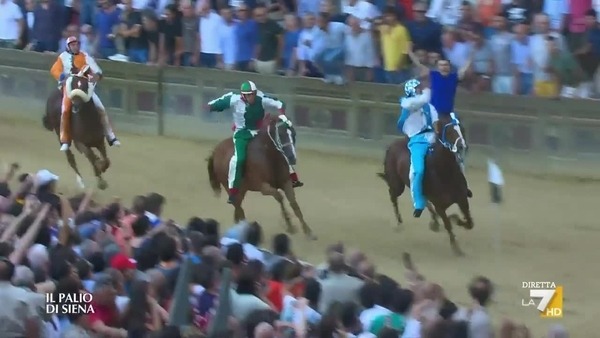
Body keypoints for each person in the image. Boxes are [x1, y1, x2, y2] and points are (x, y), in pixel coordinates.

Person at [207, 81, 304, 204]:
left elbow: (279, 103)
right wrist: (210, 107)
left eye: (251, 94)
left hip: (259, 131)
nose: (249, 97)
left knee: (279, 148)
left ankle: (292, 177)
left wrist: (281, 114)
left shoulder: (261, 97)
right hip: (242, 134)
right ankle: (234, 191)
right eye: (246, 95)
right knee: (238, 159)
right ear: (242, 95)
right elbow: (220, 103)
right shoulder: (234, 99)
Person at [407, 48, 473, 198]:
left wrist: (470, 57)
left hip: (448, 116)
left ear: (449, 67)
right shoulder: (433, 75)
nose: (444, 68)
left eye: (446, 66)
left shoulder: (453, 77)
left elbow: (463, 70)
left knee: (459, 143)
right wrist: (410, 53)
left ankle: (462, 183)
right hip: (433, 116)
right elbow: (419, 65)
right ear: (438, 67)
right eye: (442, 65)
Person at [50, 36, 120, 152]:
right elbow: (54, 70)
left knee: (100, 108)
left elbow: (97, 71)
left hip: (84, 87)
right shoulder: (62, 57)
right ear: (68, 46)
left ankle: (110, 136)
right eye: (72, 45)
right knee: (65, 110)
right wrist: (62, 76)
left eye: (77, 44)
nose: (75, 46)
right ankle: (65, 140)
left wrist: (92, 79)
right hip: (69, 88)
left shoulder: (85, 56)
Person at [396, 79, 438, 218]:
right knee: (417, 171)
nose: (421, 89)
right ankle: (419, 202)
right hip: (417, 141)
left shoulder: (428, 105)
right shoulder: (409, 105)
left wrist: (437, 133)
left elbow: (435, 119)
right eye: (418, 88)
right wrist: (427, 92)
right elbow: (418, 101)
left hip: (432, 137)